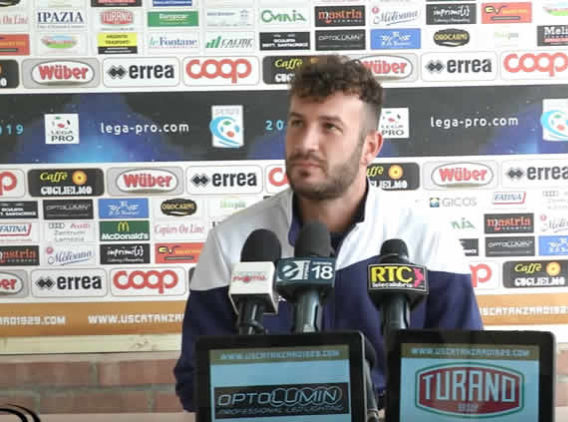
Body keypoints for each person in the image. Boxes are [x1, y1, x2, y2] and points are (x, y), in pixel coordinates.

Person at [173, 54, 483, 411]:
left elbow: (465, 374)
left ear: (370, 147)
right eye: (297, 123)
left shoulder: (427, 238)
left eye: (330, 127)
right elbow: (196, 383)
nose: (306, 143)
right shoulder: (232, 241)